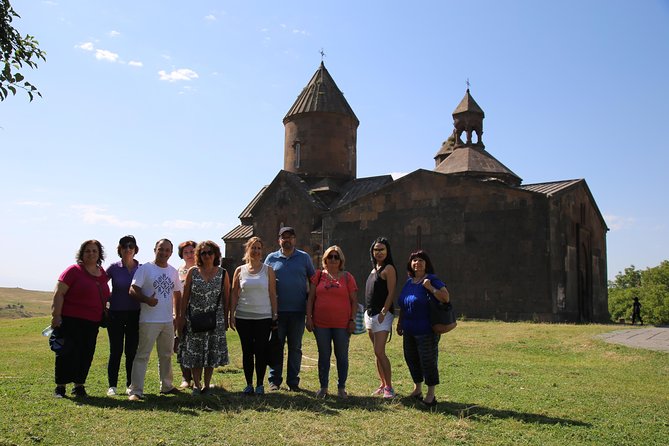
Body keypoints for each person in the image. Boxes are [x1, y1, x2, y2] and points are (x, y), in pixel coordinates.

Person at [50, 240, 110, 398]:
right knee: (66, 352)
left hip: (92, 322)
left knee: (86, 353)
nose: (91, 254)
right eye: (88, 251)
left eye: (94, 251)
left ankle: (79, 386)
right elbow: (59, 293)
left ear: (99, 254)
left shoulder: (102, 273)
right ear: (82, 254)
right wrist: (56, 315)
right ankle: (60, 387)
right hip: (70, 320)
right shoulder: (73, 271)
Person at [127, 239, 183, 401]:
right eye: (161, 249)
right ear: (155, 250)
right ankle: (136, 390)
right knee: (143, 355)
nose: (164, 253)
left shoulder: (173, 271)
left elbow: (177, 293)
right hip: (149, 320)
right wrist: (146, 300)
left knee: (166, 354)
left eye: (167, 250)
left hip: (167, 320)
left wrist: (176, 315)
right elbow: (133, 289)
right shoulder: (146, 269)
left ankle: (166, 386)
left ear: (171, 253)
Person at [264, 227, 315, 392]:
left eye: (290, 237)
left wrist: (310, 309)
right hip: (277, 312)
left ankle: (293, 382)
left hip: (298, 312)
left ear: (295, 239)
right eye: (283, 237)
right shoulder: (271, 258)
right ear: (279, 240)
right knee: (276, 347)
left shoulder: (304, 258)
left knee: (295, 348)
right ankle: (274, 381)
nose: (287, 240)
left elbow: (313, 281)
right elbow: (263, 280)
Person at [397, 250, 450, 407]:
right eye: (414, 260)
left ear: (426, 264)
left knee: (428, 361)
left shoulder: (431, 279)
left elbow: (446, 297)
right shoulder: (409, 282)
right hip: (409, 330)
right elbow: (404, 304)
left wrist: (431, 289)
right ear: (410, 264)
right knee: (411, 359)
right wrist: (400, 323)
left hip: (426, 330)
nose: (417, 263)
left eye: (420, 260)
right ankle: (417, 389)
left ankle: (431, 395)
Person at [176, 241, 230, 395]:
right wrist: (181, 317)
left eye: (209, 253)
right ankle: (196, 384)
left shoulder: (223, 273)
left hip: (215, 319)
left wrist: (226, 318)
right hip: (194, 317)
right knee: (195, 352)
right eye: (203, 253)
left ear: (216, 255)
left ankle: (206, 384)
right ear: (198, 255)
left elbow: (226, 298)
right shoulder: (193, 272)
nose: (206, 256)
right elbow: (185, 297)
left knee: (211, 352)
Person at [306, 245, 358, 398]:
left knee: (341, 356)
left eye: (336, 257)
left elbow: (354, 301)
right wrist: (308, 317)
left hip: (342, 325)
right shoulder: (318, 275)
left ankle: (341, 387)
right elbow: (311, 299)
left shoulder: (348, 277)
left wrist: (352, 320)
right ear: (325, 259)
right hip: (321, 324)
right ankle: (323, 387)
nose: (333, 260)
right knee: (323, 355)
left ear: (341, 260)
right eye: (330, 257)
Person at [230, 237, 278, 395]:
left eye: (259, 248)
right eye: (253, 248)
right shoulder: (239, 270)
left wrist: (274, 315)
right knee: (247, 351)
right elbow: (234, 294)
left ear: (262, 251)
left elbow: (272, 293)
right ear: (247, 250)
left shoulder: (268, 270)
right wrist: (232, 314)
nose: (256, 251)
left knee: (261, 350)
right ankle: (249, 384)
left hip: (263, 317)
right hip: (244, 317)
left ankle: (259, 385)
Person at [104, 235, 140, 396]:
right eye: (124, 246)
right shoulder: (113, 268)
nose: (128, 249)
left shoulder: (142, 268)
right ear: (119, 249)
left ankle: (130, 385)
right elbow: (100, 284)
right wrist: (106, 301)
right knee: (116, 350)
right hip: (115, 314)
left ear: (135, 249)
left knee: (131, 351)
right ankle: (112, 385)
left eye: (131, 246)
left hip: (135, 314)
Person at [364, 237, 397, 399]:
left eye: (381, 249)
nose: (378, 252)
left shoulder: (388, 268)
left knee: (380, 351)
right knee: (376, 352)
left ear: (387, 251)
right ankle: (383, 384)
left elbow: (391, 292)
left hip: (382, 315)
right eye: (376, 249)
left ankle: (390, 387)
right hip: (370, 315)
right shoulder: (374, 268)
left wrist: (384, 312)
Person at [176, 240, 197, 389]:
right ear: (181, 255)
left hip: (197, 313)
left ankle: (198, 378)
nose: (189, 255)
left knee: (197, 346)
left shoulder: (201, 268)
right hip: (181, 312)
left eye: (192, 251)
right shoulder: (178, 271)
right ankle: (185, 377)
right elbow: (174, 294)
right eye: (186, 252)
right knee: (181, 345)